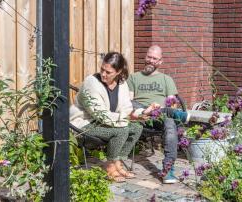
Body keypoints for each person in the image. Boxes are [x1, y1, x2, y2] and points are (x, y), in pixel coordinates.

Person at [70, 52, 158, 182]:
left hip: (104, 122)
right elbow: (101, 115)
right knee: (121, 131)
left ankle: (118, 162)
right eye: (102, 70)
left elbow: (127, 108)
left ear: (119, 72)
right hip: (84, 124)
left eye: (108, 72)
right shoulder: (91, 83)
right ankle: (110, 166)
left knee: (136, 128)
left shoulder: (121, 84)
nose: (103, 74)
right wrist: (128, 117)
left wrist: (143, 112)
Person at [127, 45, 188, 184]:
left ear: (160, 61)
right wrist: (146, 110)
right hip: (141, 115)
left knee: (170, 122)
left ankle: (168, 169)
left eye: (155, 58)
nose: (151, 60)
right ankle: (180, 115)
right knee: (134, 104)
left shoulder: (167, 79)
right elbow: (129, 102)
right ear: (145, 57)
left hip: (161, 116)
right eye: (149, 57)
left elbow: (172, 104)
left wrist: (160, 109)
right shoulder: (133, 77)